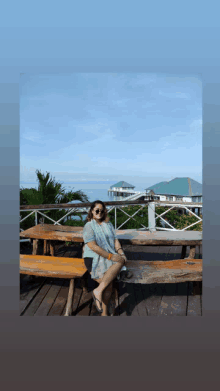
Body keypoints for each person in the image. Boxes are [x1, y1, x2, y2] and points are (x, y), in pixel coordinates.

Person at [83, 200, 132, 316]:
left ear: (104, 212)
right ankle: (104, 313)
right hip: (93, 258)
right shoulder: (88, 226)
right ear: (92, 211)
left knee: (120, 261)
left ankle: (98, 293)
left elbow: (115, 241)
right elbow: (93, 246)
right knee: (109, 283)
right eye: (97, 210)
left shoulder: (108, 224)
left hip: (108, 257)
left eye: (101, 210)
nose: (99, 212)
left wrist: (121, 253)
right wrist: (112, 256)